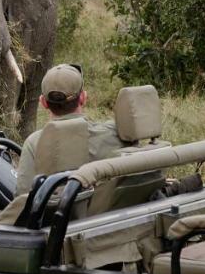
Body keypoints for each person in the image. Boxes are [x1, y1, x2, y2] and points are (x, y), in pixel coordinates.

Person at [14, 63, 124, 196]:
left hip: (56, 215)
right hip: (102, 212)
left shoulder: (34, 142)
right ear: (83, 98)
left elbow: (22, 196)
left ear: (43, 102)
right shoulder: (113, 132)